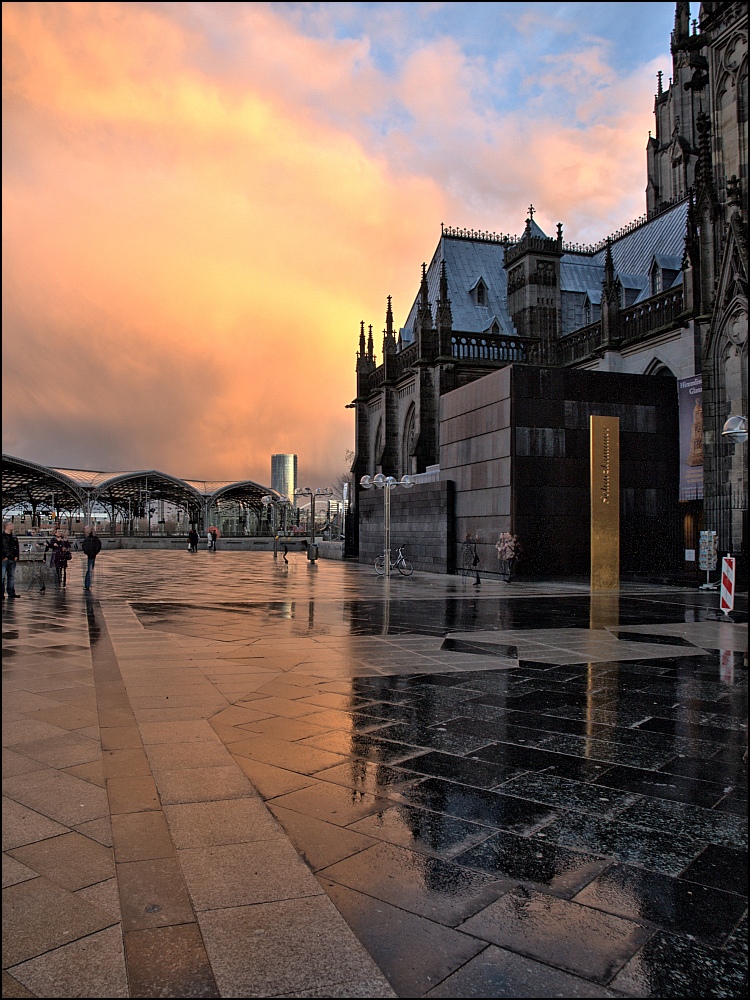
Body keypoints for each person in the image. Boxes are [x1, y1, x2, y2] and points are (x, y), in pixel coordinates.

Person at [2, 522, 20, 599]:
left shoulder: (14, 537)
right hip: (4, 559)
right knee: (2, 576)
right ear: (6, 526)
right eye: (10, 524)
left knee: (11, 576)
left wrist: (16, 556)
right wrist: (3, 557)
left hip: (12, 559)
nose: (12, 525)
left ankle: (11, 592)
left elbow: (17, 547)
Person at [81, 525, 102, 590]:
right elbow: (84, 545)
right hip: (89, 555)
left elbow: (98, 546)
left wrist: (93, 553)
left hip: (91, 556)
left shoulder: (94, 538)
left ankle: (87, 584)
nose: (85, 530)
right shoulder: (87, 538)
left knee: (89, 570)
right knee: (89, 570)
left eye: (86, 529)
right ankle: (87, 584)